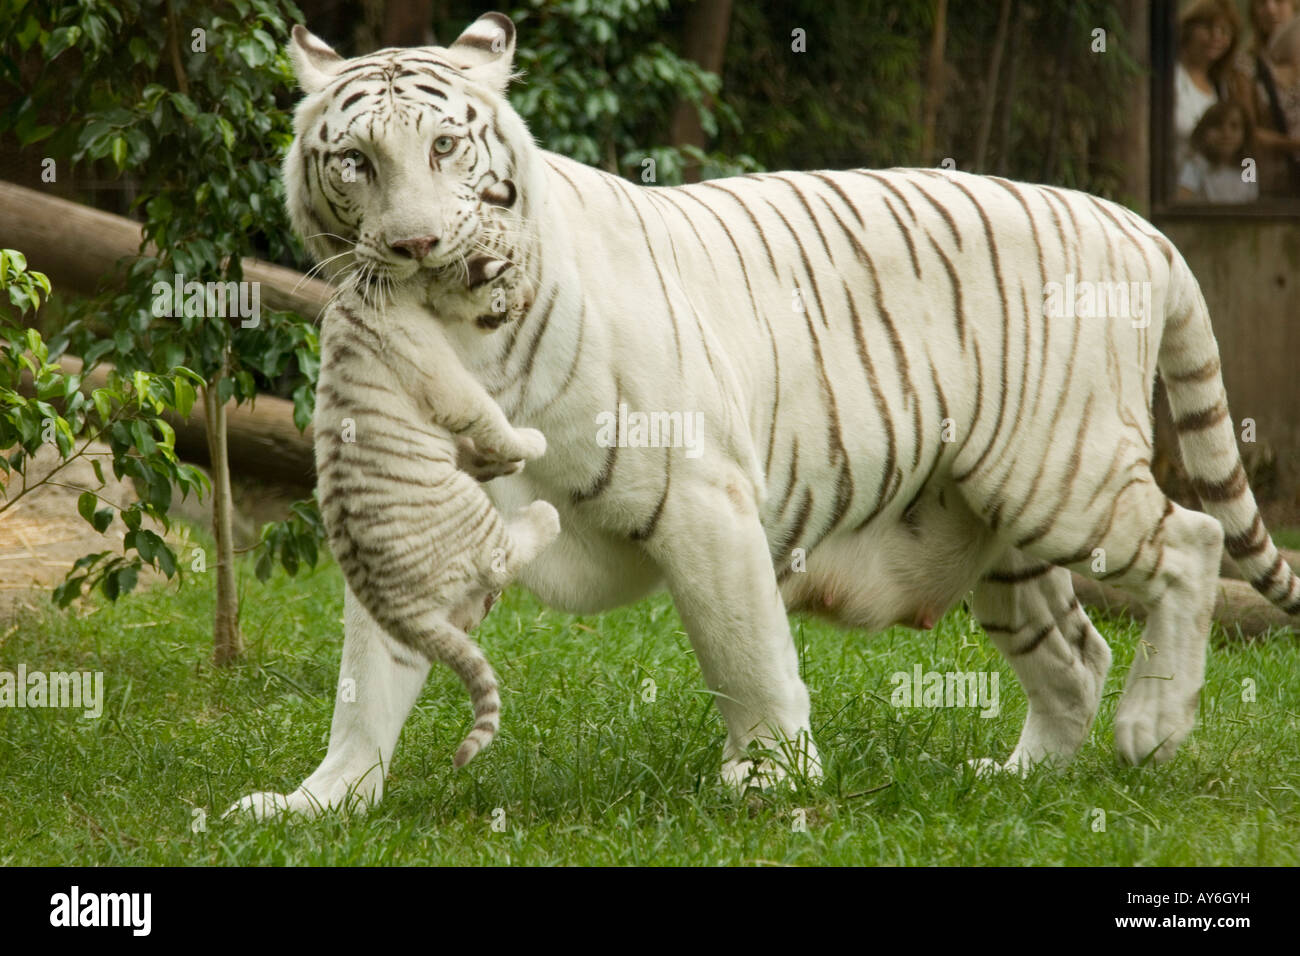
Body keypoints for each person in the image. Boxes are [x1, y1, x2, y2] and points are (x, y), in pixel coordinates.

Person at [1226, 0, 1300, 196]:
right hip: (1271, 179)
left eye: (1279, 1)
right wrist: (1291, 144)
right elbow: (1247, 132)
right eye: (1261, 4)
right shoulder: (1247, 65)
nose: (1270, 9)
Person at [1174, 0, 1241, 171]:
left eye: (1224, 31)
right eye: (1208, 28)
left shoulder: (1222, 86)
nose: (1216, 36)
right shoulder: (1172, 77)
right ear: (1188, 30)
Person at [1177, 100, 1259, 201]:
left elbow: (1251, 204)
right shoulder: (1194, 165)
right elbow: (1182, 202)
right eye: (1217, 126)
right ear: (1203, 131)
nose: (1226, 133)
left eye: (1234, 126)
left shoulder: (1248, 166)